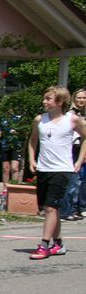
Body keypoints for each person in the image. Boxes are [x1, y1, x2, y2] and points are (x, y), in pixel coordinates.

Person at [27, 87, 86, 260]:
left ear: (60, 102)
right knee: (49, 208)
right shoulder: (40, 120)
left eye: (49, 99)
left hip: (62, 169)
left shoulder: (72, 119)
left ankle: (44, 245)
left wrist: (80, 159)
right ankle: (58, 243)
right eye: (44, 98)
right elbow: (32, 140)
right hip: (44, 168)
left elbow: (85, 137)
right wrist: (32, 159)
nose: (44, 102)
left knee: (51, 207)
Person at [59, 88, 86, 221]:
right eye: (79, 98)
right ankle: (66, 210)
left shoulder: (82, 114)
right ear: (74, 99)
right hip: (72, 148)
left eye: (84, 98)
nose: (81, 100)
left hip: (80, 148)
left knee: (78, 182)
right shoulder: (71, 114)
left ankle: (74, 208)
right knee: (72, 181)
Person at [0, 110, 24, 191]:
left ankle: (14, 189)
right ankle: (5, 190)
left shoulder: (19, 119)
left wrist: (17, 132)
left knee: (15, 168)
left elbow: (24, 131)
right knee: (5, 169)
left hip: (16, 145)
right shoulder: (3, 120)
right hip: (5, 146)